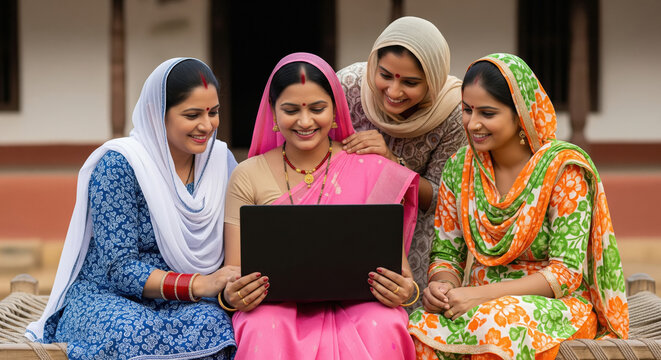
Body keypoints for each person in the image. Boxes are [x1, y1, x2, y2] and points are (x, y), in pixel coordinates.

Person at [408, 53, 629, 359]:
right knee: (421, 328)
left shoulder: (563, 170)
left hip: (556, 307)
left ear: (520, 114)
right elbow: (447, 255)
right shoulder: (460, 168)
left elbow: (564, 275)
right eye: (467, 110)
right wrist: (443, 287)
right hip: (475, 304)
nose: (473, 124)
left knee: (497, 326)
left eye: (487, 113)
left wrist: (477, 296)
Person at [25, 58, 239, 359]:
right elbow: (121, 270)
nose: (207, 125)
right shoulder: (120, 165)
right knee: (133, 331)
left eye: (213, 112)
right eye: (192, 115)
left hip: (185, 302)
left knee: (215, 324)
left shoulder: (220, 162)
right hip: (108, 295)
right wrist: (199, 284)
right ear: (157, 115)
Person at [221, 52, 419, 359]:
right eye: (290, 110)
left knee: (384, 323)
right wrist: (233, 294)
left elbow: (401, 273)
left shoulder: (370, 167)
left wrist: (406, 290)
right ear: (272, 114)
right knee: (262, 326)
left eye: (317, 108)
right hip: (276, 308)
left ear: (337, 111)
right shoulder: (248, 175)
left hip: (360, 306)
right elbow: (234, 270)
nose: (305, 121)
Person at [336, 16, 466, 307]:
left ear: (432, 80)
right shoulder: (349, 87)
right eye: (386, 75)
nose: (394, 92)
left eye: (410, 82)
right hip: (342, 213)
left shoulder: (452, 113)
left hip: (414, 228)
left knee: (402, 309)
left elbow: (440, 199)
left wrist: (393, 164)